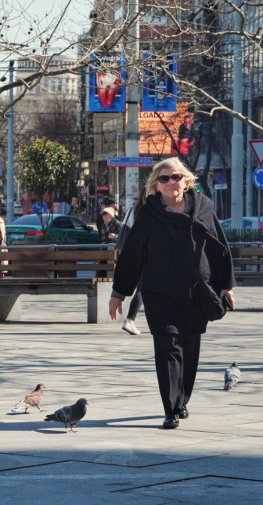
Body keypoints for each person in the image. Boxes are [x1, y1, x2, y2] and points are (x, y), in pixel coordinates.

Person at [109, 157, 235, 430]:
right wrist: (119, 293)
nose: (170, 182)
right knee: (167, 347)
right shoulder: (148, 214)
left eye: (176, 177)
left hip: (195, 290)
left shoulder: (203, 207)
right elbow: (133, 254)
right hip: (159, 292)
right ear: (156, 185)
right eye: (164, 178)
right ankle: (171, 408)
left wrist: (225, 285)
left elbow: (219, 248)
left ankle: (182, 400)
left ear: (186, 180)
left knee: (189, 348)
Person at [117, 192, 146, 336]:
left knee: (143, 288)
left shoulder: (132, 211)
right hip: (148, 254)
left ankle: (131, 320)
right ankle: (130, 319)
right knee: (142, 288)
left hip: (133, 254)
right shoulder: (153, 212)